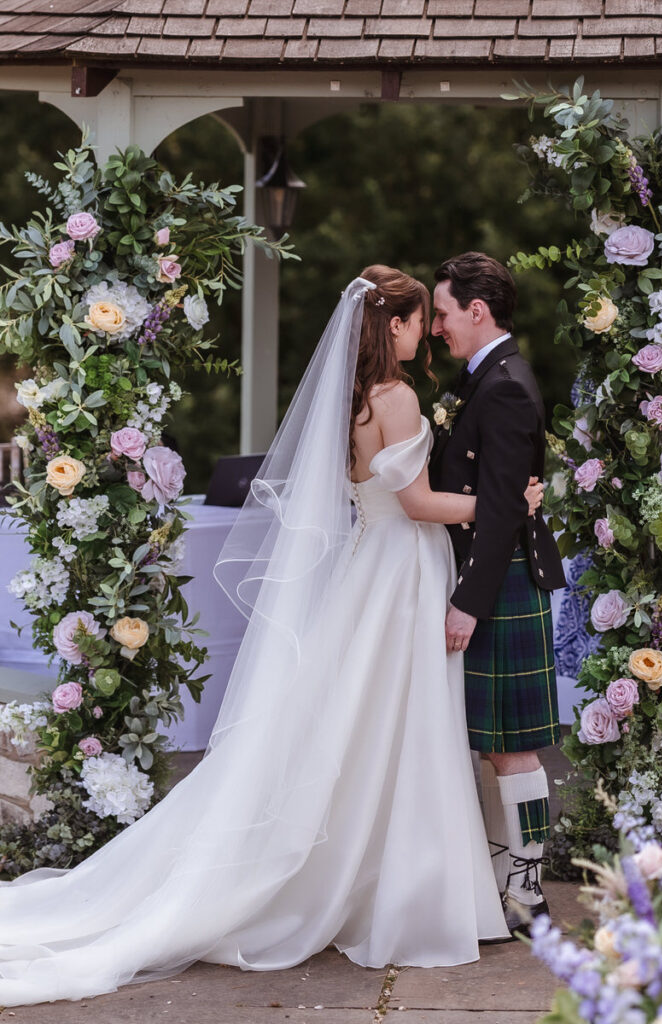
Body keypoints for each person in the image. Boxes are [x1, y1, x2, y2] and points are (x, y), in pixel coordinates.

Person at [0, 267, 544, 1006]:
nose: (427, 332)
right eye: (419, 321)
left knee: (365, 719)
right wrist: (502, 502)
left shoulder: (355, 397)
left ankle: (401, 874)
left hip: (371, 568)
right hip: (403, 568)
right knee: (399, 723)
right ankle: (408, 889)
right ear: (394, 327)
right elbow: (416, 503)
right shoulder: (400, 396)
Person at [428, 252, 566, 939]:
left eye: (444, 313)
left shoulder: (505, 384)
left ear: (476, 310)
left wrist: (468, 602)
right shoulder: (482, 379)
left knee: (514, 748)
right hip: (488, 573)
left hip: (500, 579)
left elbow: (507, 508)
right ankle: (501, 877)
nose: (436, 327)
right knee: (490, 744)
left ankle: (529, 891)